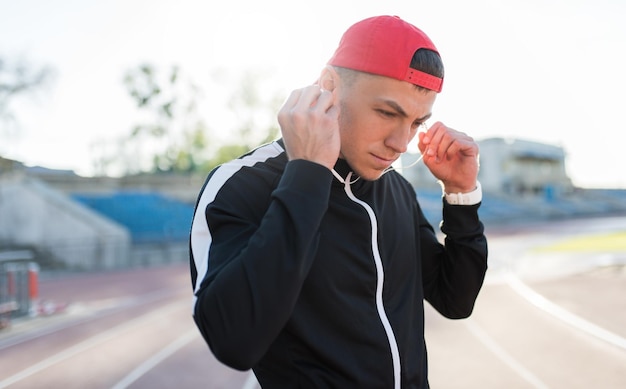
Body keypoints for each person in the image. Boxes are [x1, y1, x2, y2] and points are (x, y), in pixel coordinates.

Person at [190, 15, 488, 388]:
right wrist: (308, 172)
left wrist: (461, 198)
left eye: (416, 123)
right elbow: (234, 341)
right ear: (329, 85)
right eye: (387, 113)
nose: (401, 143)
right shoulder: (242, 185)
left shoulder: (396, 190)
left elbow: (454, 300)